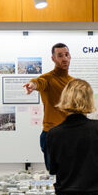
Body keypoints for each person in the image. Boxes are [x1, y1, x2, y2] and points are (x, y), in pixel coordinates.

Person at [23, 43, 73, 172]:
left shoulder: (73, 82)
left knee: (72, 174)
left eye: (66, 55)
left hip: (70, 134)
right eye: (60, 55)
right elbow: (38, 82)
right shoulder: (48, 79)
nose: (64, 58)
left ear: (70, 56)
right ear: (53, 59)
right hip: (52, 134)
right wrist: (32, 85)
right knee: (56, 177)